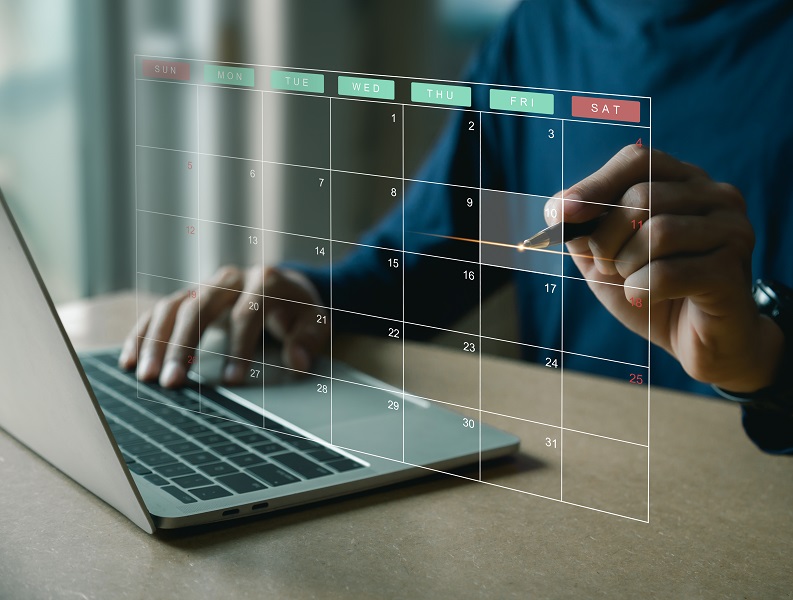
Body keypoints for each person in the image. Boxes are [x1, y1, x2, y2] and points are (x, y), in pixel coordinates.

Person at [120, 0, 793, 453]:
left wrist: (761, 366)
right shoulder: (543, 31)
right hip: (581, 488)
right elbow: (439, 255)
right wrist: (304, 296)